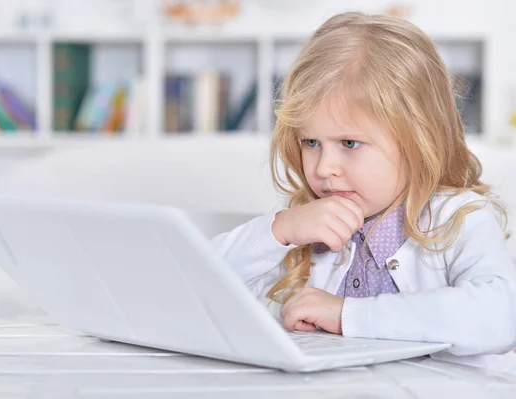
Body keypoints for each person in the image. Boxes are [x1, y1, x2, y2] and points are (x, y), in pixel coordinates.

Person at [212, 11, 516, 372]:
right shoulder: (308, 225)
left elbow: (499, 315)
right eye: (310, 142)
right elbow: (199, 284)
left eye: (350, 143)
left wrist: (348, 315)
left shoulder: (458, 217)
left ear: (418, 141)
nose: (323, 168)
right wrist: (277, 231)